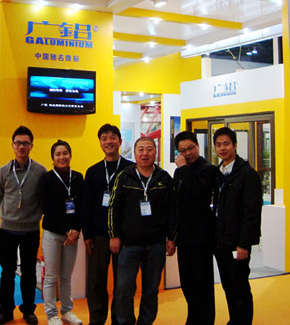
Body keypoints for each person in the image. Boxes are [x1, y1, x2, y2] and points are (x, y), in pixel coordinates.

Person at [108, 137, 176, 325]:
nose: (145, 153)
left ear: (155, 152)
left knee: (151, 290)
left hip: (156, 244)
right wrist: (114, 235)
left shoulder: (164, 178)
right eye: (141, 149)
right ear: (135, 153)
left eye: (149, 149)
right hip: (128, 244)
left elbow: (172, 210)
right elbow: (113, 207)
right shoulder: (124, 176)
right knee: (123, 289)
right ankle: (125, 322)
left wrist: (172, 237)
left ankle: (146, 322)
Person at [0, 126, 46, 325]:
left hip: (30, 230)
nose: (21, 146)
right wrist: (10, 214)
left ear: (31, 146)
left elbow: (43, 199)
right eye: (18, 143)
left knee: (29, 272)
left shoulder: (40, 171)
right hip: (8, 229)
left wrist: (33, 216)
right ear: (12, 145)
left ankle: (28, 310)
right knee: (7, 272)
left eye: (25, 143)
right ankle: (5, 311)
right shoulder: (3, 171)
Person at [82, 124, 133, 325]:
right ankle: (96, 320)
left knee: (123, 283)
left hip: (124, 235)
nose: (108, 142)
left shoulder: (130, 170)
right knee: (96, 282)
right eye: (104, 138)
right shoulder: (93, 171)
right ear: (100, 143)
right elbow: (86, 206)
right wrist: (87, 235)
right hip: (98, 235)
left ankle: (120, 320)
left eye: (112, 137)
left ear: (120, 141)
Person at [213, 127, 263, 325]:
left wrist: (243, 244)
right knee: (228, 285)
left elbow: (252, 213)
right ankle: (234, 320)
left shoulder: (247, 174)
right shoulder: (217, 174)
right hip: (221, 242)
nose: (222, 148)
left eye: (226, 144)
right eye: (218, 145)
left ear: (234, 145)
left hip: (237, 244)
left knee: (240, 286)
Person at [174, 131, 217, 325]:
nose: (187, 153)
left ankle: (205, 320)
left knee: (202, 283)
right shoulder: (179, 172)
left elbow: (197, 194)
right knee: (187, 282)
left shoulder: (208, 169)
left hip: (201, 236)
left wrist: (183, 169)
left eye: (190, 148)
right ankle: (193, 318)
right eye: (182, 150)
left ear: (198, 146)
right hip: (183, 236)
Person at [39, 140, 84, 325]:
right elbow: (47, 208)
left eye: (65, 153)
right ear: (53, 158)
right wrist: (67, 229)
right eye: (58, 154)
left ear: (70, 155)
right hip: (53, 234)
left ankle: (67, 311)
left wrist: (76, 230)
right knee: (51, 276)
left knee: (66, 276)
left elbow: (83, 206)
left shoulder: (78, 177)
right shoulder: (46, 179)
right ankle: (51, 314)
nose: (62, 157)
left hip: (72, 236)